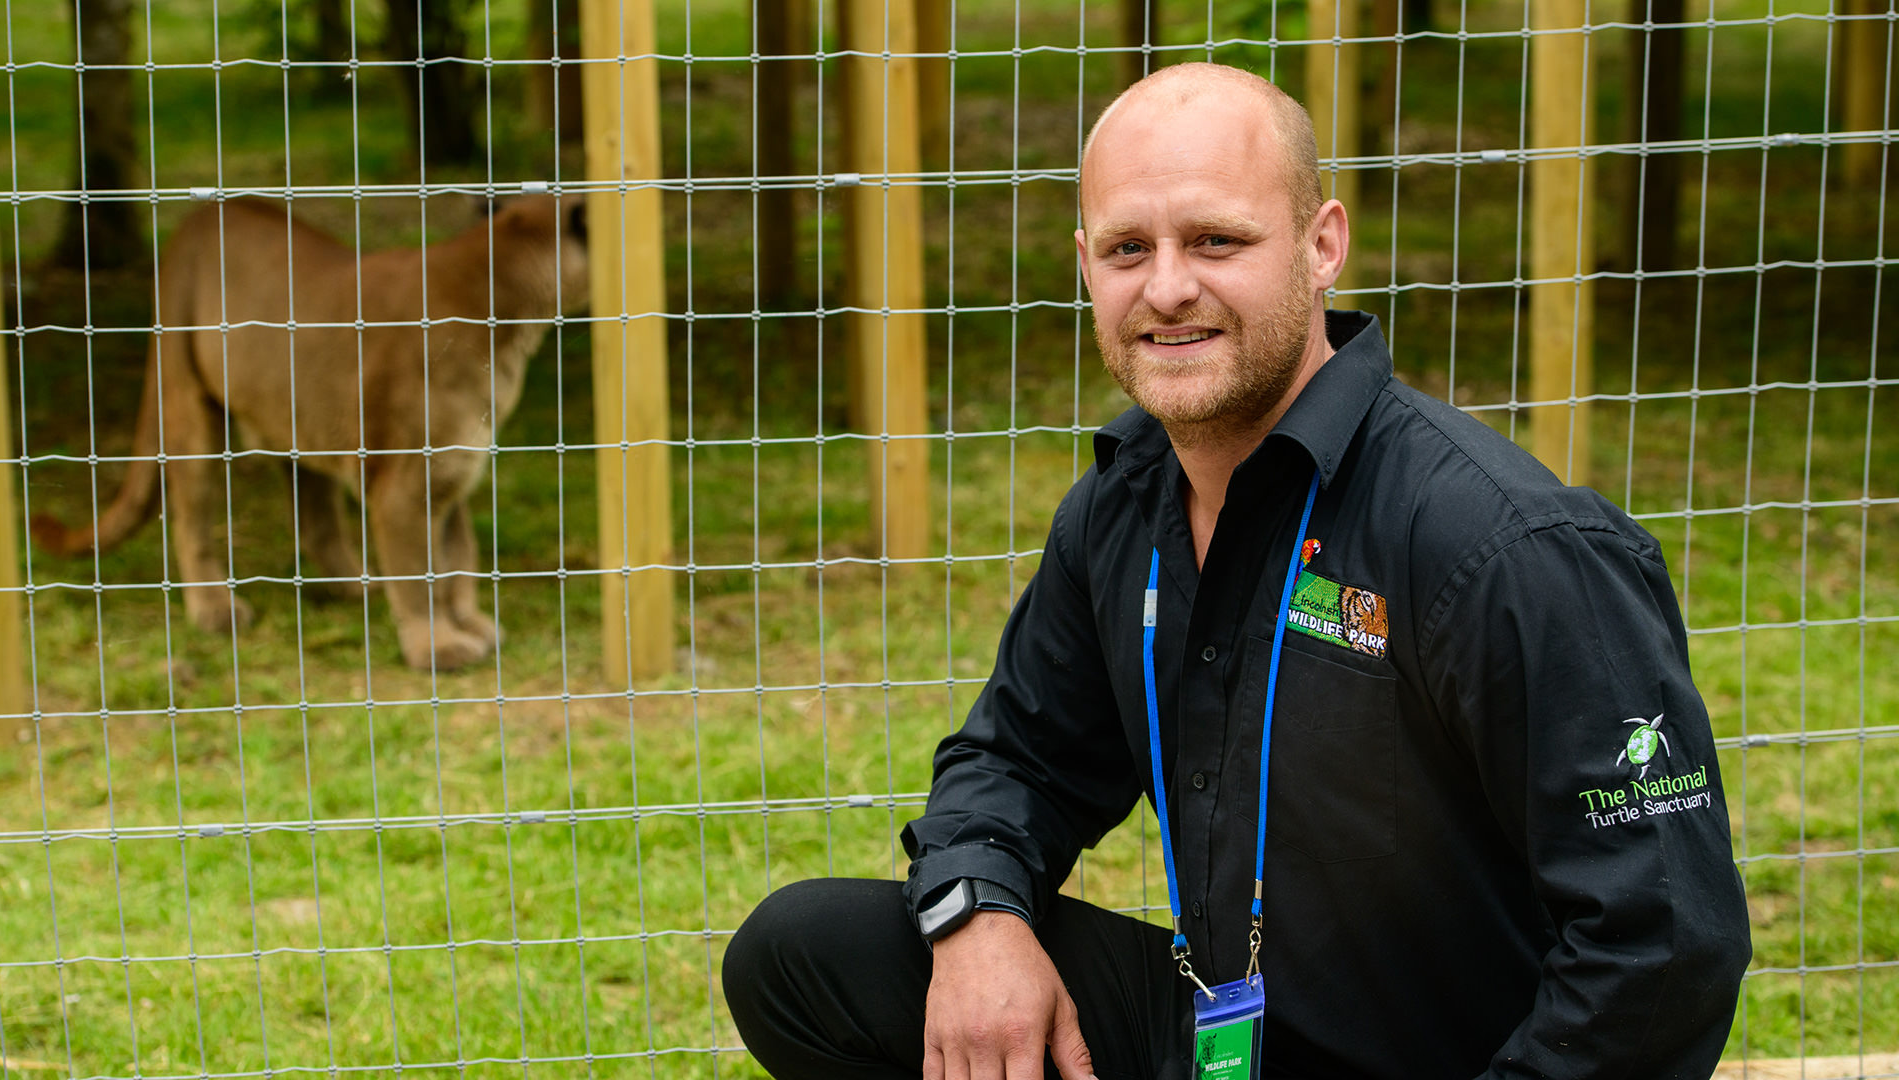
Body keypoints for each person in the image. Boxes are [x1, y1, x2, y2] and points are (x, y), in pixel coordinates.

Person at [723, 62, 1751, 1080]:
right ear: (1086, 264)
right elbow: (1018, 763)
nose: (1168, 287)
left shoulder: (1503, 546)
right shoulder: (1123, 507)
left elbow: (1662, 951)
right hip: (1233, 1045)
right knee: (805, 958)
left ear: (1322, 246)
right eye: (1129, 247)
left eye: (1217, 239)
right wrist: (979, 913)